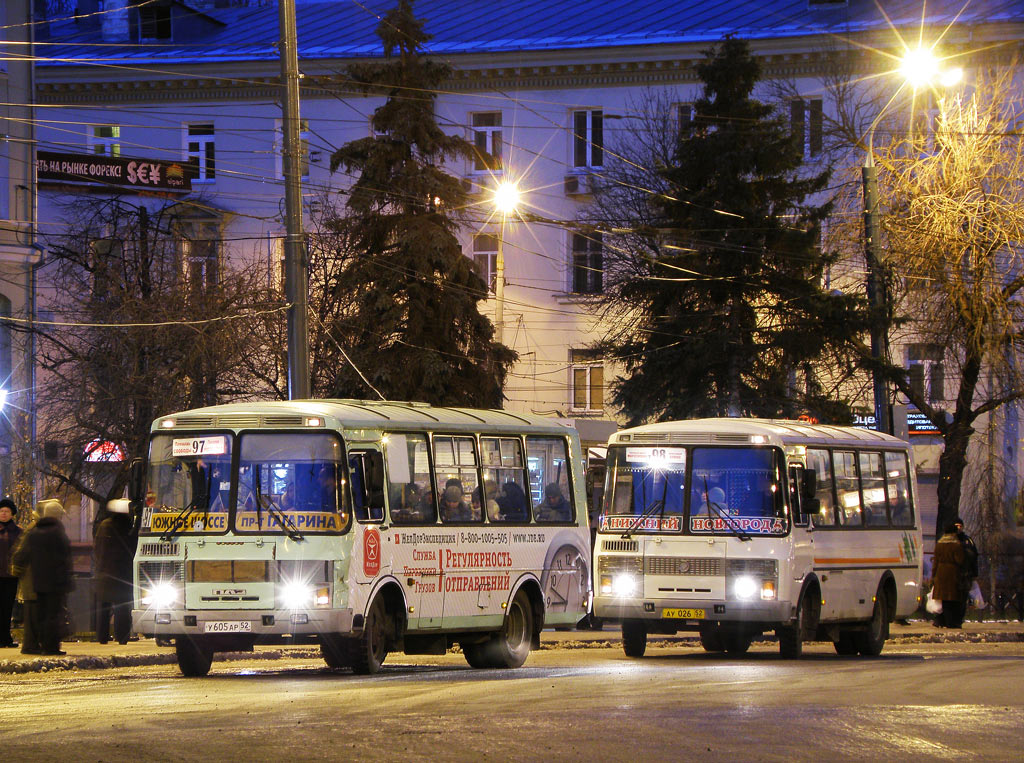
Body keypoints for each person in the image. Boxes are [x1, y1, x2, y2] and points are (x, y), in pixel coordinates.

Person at [12, 499, 73, 655]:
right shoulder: (44, 530)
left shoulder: (37, 530)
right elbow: (22, 553)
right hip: (34, 579)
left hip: (37, 579)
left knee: (39, 615)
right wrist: (17, 569)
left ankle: (36, 645)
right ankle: (34, 646)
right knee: (38, 615)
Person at [93, 501, 137, 645]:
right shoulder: (127, 527)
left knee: (103, 608)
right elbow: (131, 548)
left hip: (103, 572)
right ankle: (122, 636)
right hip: (122, 574)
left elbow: (97, 549)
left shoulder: (104, 526)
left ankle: (102, 636)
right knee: (123, 608)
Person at [932, 517, 970, 628]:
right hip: (953, 574)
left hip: (940, 573)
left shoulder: (939, 544)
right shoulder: (956, 544)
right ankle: (952, 622)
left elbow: (935, 561)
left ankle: (942, 621)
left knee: (944, 600)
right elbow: (960, 560)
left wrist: (933, 576)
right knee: (953, 600)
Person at [0, 497, 23, 648]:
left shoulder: (19, 532)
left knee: (7, 607)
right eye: (1, 511)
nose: (3, 514)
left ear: (12, 514)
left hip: (10, 576)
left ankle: (5, 638)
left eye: (6, 511)